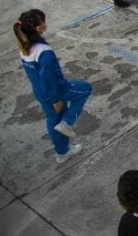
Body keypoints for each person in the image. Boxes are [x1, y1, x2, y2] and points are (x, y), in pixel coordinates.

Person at [16, 9, 92, 164]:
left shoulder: (24, 46)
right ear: (39, 28)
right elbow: (48, 78)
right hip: (56, 90)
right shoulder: (43, 51)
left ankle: (62, 152)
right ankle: (68, 122)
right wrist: (55, 99)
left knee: (53, 118)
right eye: (44, 20)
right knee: (86, 89)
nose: (46, 22)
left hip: (40, 92)